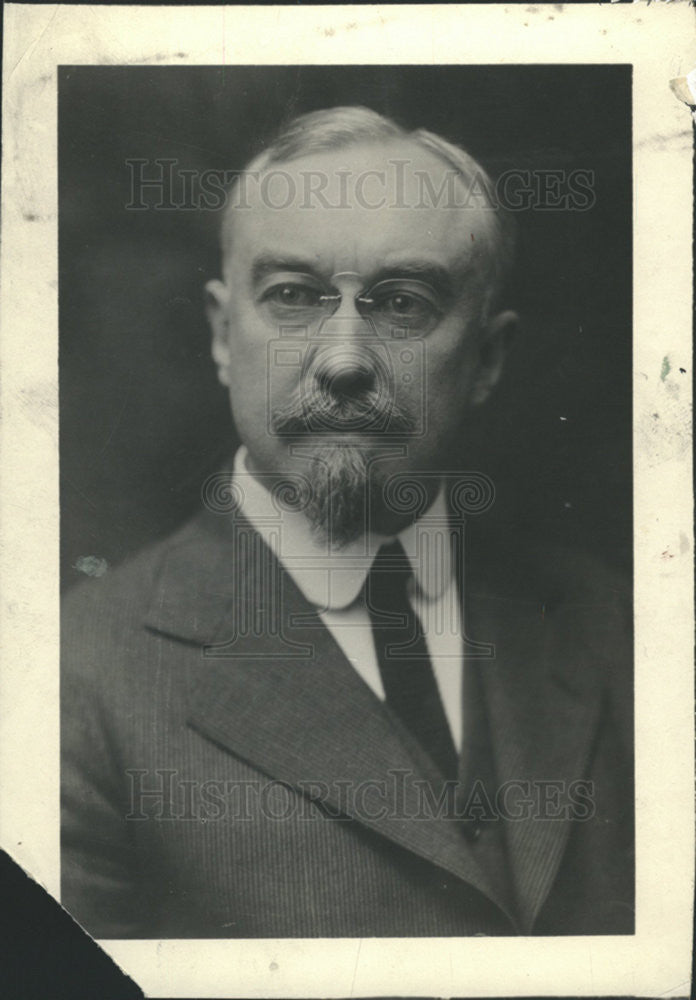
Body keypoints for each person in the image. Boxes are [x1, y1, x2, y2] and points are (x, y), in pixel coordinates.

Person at [61, 106, 633, 938]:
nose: (343, 360)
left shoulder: (622, 629)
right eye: (293, 297)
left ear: (487, 359)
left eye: (403, 304)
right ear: (224, 334)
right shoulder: (75, 684)